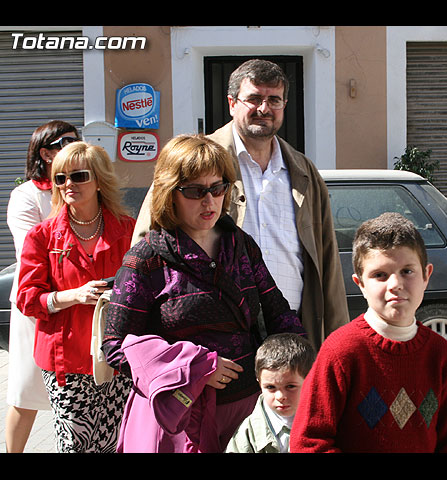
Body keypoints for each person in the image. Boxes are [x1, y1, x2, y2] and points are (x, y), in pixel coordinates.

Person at [102, 134, 306, 453]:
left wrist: (299, 365)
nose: (209, 201)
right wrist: (197, 366)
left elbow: (280, 315)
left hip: (247, 416)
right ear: (170, 194)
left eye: (217, 188)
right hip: (179, 419)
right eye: (195, 191)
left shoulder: (240, 245)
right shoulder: (145, 260)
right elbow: (115, 346)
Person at [134, 59, 348, 351]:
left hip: (291, 328)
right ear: (232, 102)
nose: (264, 109)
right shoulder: (195, 161)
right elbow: (148, 238)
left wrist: (337, 339)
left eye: (274, 100)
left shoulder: (303, 171)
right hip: (215, 335)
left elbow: (327, 258)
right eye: (254, 99)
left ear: (284, 104)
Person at [290, 212, 447, 453]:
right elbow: (308, 442)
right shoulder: (341, 351)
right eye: (379, 275)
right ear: (360, 284)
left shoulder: (441, 354)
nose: (395, 284)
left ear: (427, 276)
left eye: (407, 271)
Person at [15, 141, 135, 452]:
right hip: (65, 363)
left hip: (116, 359)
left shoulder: (128, 230)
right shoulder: (42, 236)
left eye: (79, 176)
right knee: (75, 445)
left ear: (99, 181)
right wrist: (73, 296)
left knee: (117, 442)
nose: (69, 184)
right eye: (60, 177)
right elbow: (27, 299)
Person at [4, 121, 79, 453]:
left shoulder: (84, 187)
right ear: (46, 153)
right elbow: (30, 250)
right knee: (27, 391)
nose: (75, 147)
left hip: (79, 299)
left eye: (78, 141)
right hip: (39, 302)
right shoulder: (26, 195)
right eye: (66, 143)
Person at [226, 332, 315, 453]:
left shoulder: (326, 420)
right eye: (271, 387)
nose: (280, 397)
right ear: (259, 383)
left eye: (290, 386)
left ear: (310, 381)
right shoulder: (249, 432)